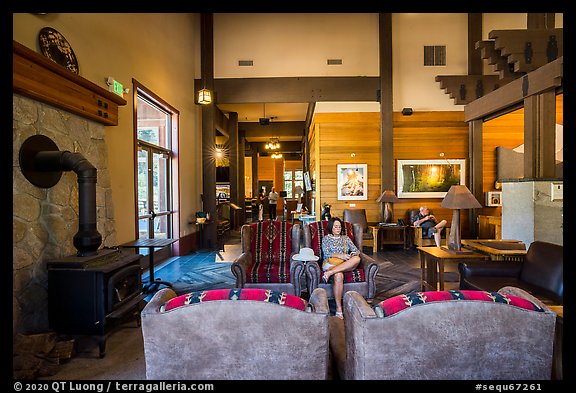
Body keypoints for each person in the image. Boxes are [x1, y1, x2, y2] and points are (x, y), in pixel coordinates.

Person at [321, 217, 361, 319]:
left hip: (343, 264)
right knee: (338, 276)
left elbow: (357, 250)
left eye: (339, 227)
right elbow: (326, 253)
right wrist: (341, 255)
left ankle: (330, 273)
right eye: (336, 227)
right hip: (330, 263)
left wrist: (352, 253)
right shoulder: (326, 238)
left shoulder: (346, 238)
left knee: (356, 259)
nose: (338, 229)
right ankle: (339, 309)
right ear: (331, 227)